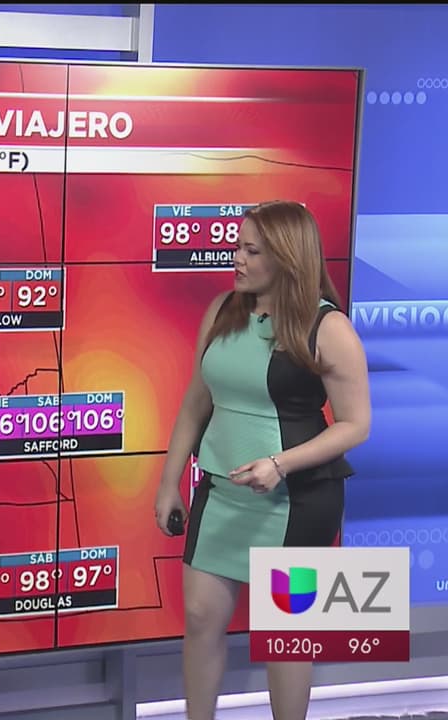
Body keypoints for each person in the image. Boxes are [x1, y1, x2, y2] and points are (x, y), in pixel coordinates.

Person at [153, 200, 372, 720]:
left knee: (287, 635)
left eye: (252, 251)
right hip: (221, 494)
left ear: (287, 257)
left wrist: (280, 463)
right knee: (201, 618)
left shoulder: (328, 327)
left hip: (297, 500)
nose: (237, 258)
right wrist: (168, 483)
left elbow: (355, 424)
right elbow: (195, 402)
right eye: (238, 246)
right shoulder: (223, 311)